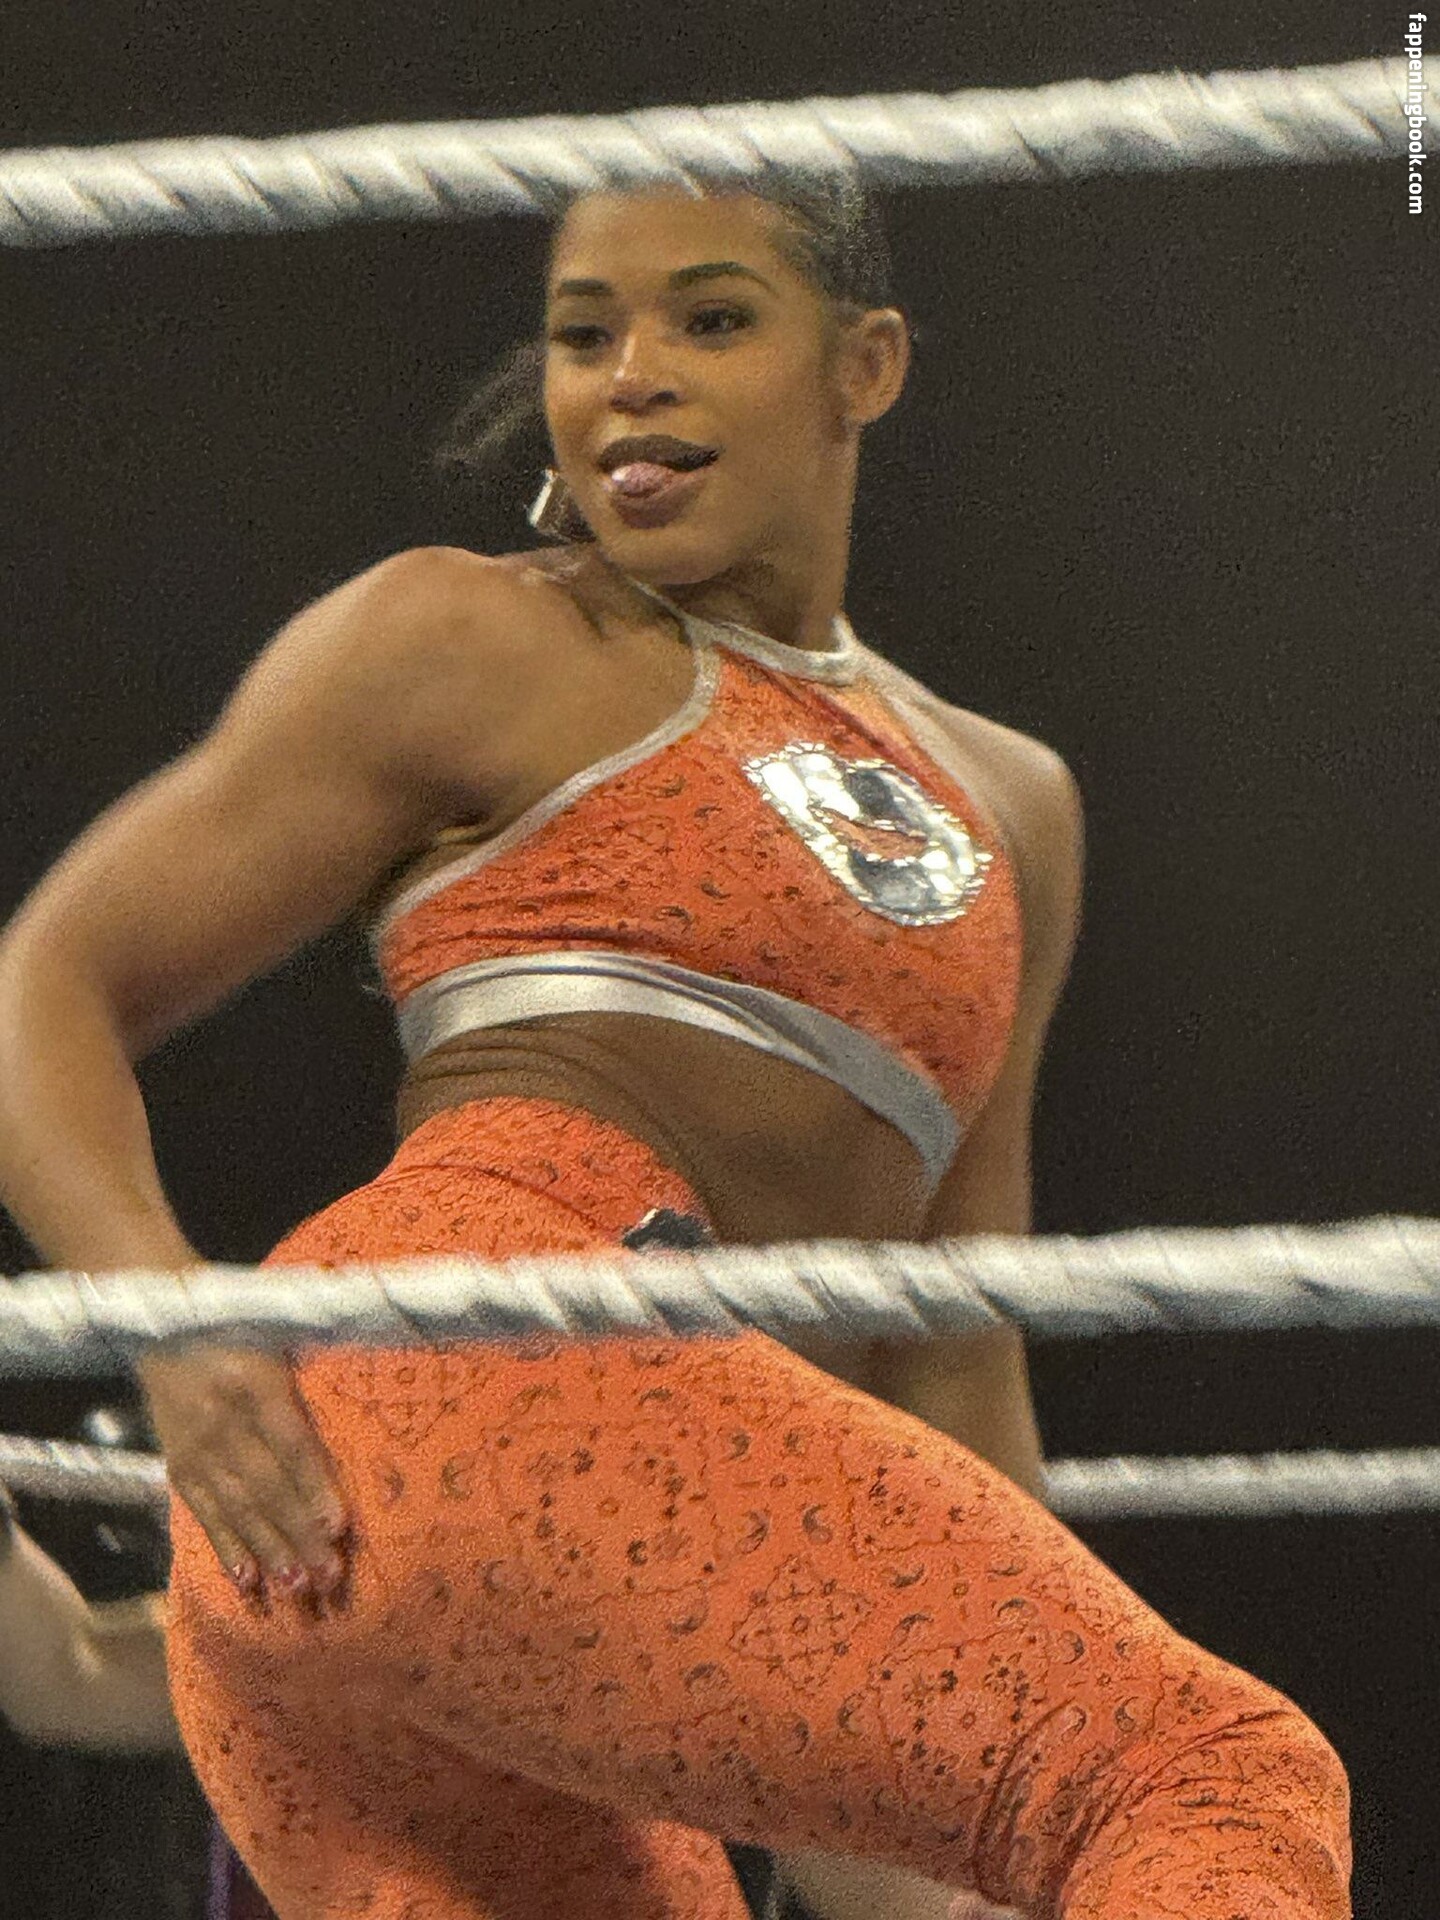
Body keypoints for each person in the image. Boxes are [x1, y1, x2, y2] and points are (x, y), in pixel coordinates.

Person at [0, 172, 1350, 1919]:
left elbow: (949, 1345)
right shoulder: (478, 635)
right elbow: (42, 985)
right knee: (1215, 1775)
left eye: (711, 320)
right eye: (584, 335)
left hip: (475, 1528)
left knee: (1078, 1815)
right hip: (462, 1355)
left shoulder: (1014, 803)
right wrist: (166, 1322)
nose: (631, 374)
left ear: (864, 366)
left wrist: (956, 1821)